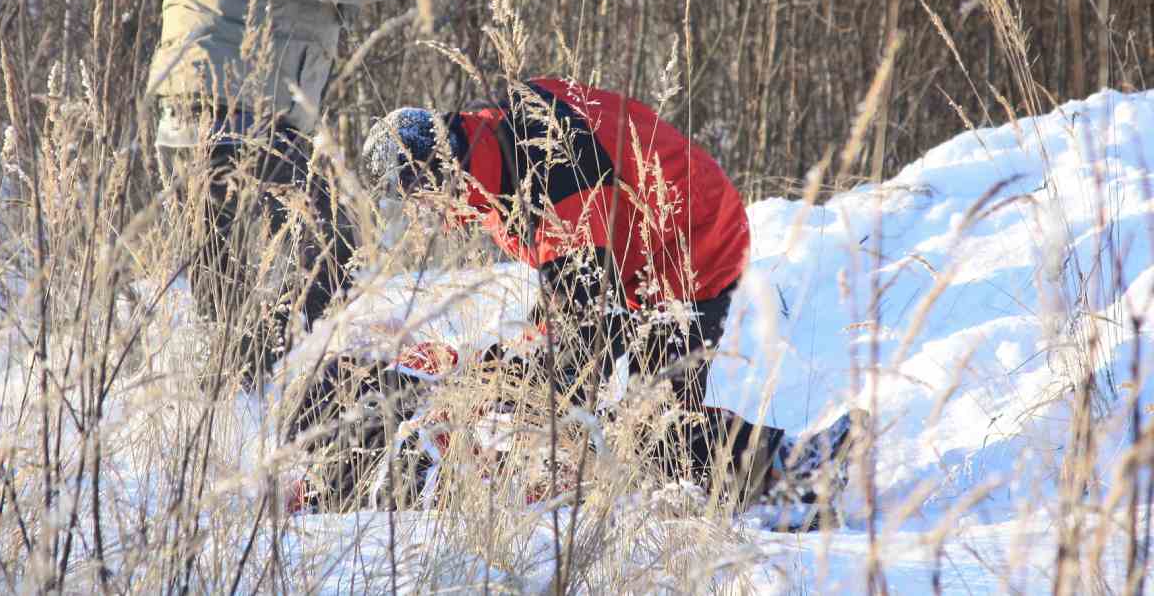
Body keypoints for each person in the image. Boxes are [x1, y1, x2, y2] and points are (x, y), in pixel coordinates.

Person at [287, 78, 863, 526]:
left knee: (649, 425)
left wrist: (486, 386)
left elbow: (578, 353)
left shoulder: (550, 180)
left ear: (438, 175)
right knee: (611, 414)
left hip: (691, 242)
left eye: (417, 200)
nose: (421, 217)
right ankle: (775, 467)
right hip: (632, 238)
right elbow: (572, 295)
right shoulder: (489, 144)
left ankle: (800, 467)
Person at [146, 0, 405, 385]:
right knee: (333, 249)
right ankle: (276, 370)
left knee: (222, 288)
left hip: (185, 130)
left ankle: (227, 391)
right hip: (242, 126)